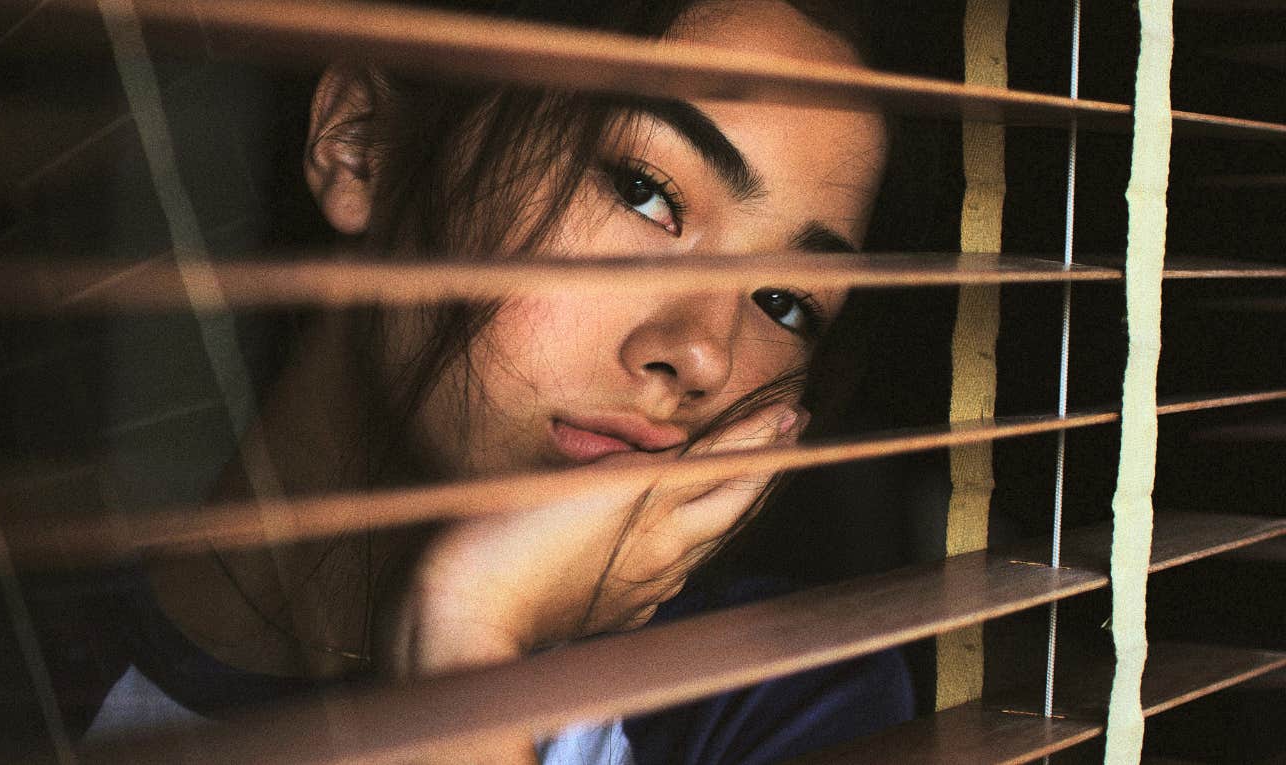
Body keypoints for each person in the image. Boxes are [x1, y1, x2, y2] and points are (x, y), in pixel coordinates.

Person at [90, 0, 915, 761]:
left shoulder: (773, 703)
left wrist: (467, 632)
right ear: (362, 144)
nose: (706, 356)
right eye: (645, 192)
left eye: (787, 303)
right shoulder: (15, 658)